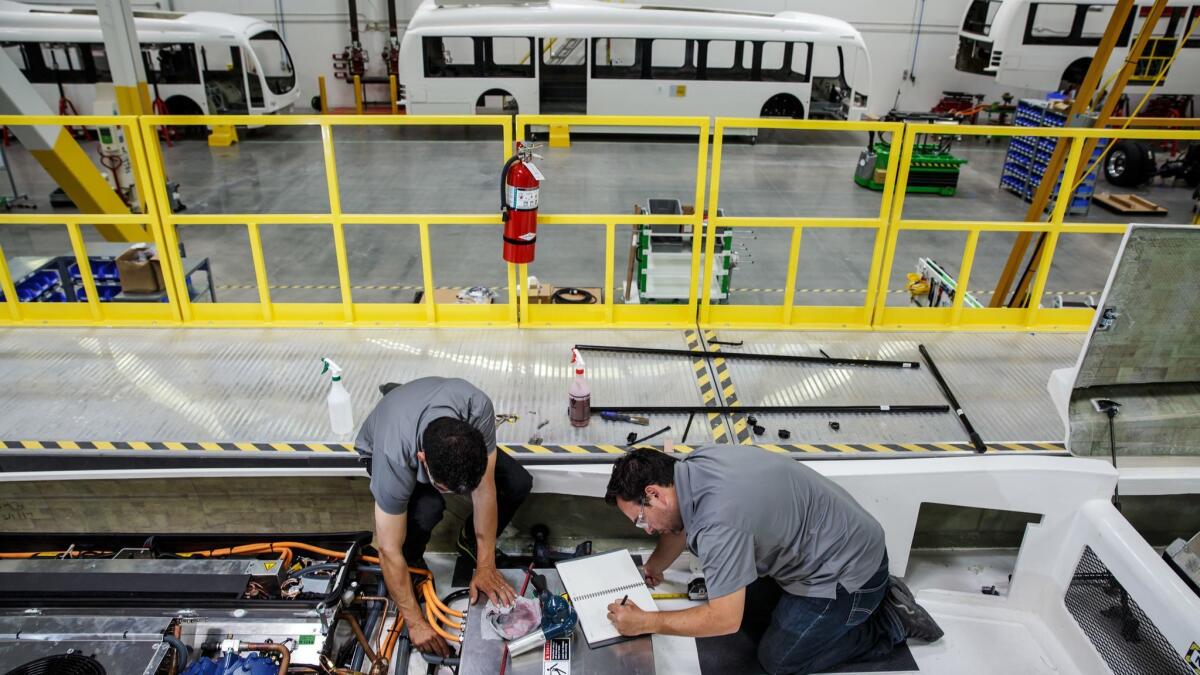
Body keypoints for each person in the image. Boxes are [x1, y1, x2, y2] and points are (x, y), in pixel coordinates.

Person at [603, 445, 942, 675]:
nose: (646, 530)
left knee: (777, 660)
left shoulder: (719, 522)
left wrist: (647, 622)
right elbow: (677, 525)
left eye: (640, 519)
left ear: (654, 494)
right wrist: (654, 567)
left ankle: (891, 621)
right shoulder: (693, 466)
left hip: (846, 579)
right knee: (745, 604)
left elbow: (723, 620)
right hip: (840, 543)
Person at [356, 377, 533, 657]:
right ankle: (412, 566)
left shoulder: (477, 407)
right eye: (446, 488)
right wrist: (415, 622)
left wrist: (485, 564)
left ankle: (468, 543)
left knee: (517, 483)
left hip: (431, 423)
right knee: (427, 510)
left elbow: (485, 489)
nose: (457, 496)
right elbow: (387, 549)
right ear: (422, 459)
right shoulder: (393, 456)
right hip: (390, 434)